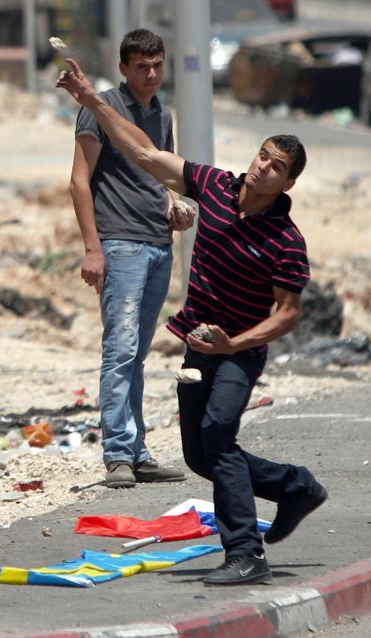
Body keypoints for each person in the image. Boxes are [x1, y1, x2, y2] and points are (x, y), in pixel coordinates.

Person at [57, 58, 328, 587]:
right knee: (200, 454)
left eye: (276, 167)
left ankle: (246, 553)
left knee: (219, 438)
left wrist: (236, 344)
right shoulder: (217, 187)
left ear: (290, 181)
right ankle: (295, 486)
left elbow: (288, 314)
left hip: (240, 352)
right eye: (263, 156)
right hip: (198, 346)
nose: (262, 168)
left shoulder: (286, 241)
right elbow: (144, 152)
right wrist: (92, 100)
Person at [69, 28, 193, 489]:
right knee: (119, 350)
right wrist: (92, 247)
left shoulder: (161, 113)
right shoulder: (101, 108)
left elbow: (163, 175)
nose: (152, 74)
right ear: (124, 68)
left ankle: (137, 451)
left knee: (138, 352)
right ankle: (118, 452)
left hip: (158, 244)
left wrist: (174, 209)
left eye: (158, 65)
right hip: (119, 244)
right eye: (142, 66)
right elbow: (80, 181)